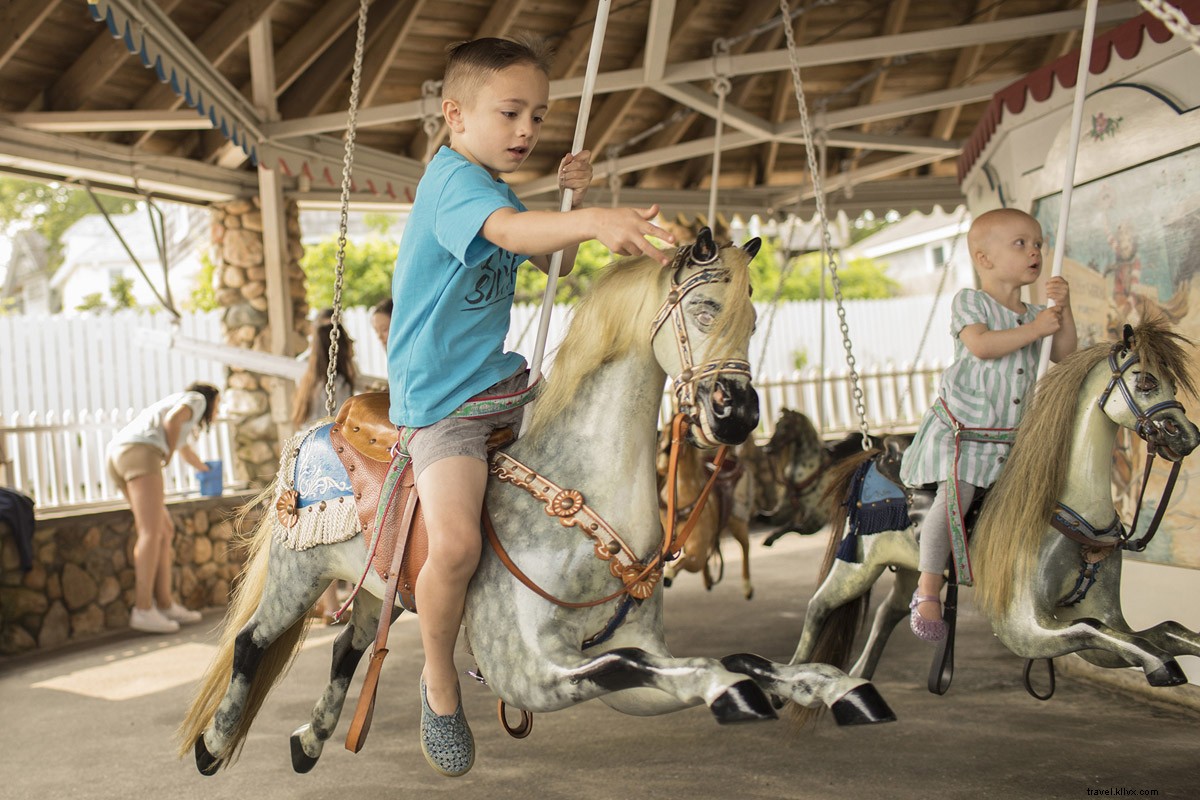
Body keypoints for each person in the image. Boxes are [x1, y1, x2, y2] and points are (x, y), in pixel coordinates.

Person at [386, 35, 674, 777]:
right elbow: (511, 234)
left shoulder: (497, 189)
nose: (527, 130)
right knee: (456, 544)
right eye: (510, 112)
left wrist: (571, 200)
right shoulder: (453, 182)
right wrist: (592, 216)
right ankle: (439, 683)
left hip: (504, 383)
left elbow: (555, 262)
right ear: (455, 115)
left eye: (538, 118)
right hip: (444, 401)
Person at [899, 208, 1077, 642]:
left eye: (1038, 244)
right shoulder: (971, 302)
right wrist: (1036, 328)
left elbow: (1065, 353)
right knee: (954, 499)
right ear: (984, 258)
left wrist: (1063, 311)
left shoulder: (1038, 312)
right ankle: (927, 587)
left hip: (1012, 438)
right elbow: (981, 345)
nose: (1034, 251)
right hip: (967, 434)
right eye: (1021, 243)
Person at [105, 382, 220, 634]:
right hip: (140, 452)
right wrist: (166, 455)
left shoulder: (177, 406)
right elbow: (172, 421)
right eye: (218, 404)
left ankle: (165, 604)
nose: (217, 410)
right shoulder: (196, 400)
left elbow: (184, 448)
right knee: (150, 532)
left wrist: (206, 470)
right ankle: (143, 609)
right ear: (210, 399)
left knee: (164, 529)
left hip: (118, 454)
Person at [292, 322, 359, 624]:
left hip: (307, 461)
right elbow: (342, 422)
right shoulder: (339, 381)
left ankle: (328, 604)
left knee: (321, 534)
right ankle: (340, 603)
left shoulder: (308, 382)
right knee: (345, 530)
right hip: (331, 460)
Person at [291, 322, 358, 427]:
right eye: (347, 339)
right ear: (340, 346)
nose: (351, 342)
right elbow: (343, 423)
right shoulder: (336, 384)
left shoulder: (311, 380)